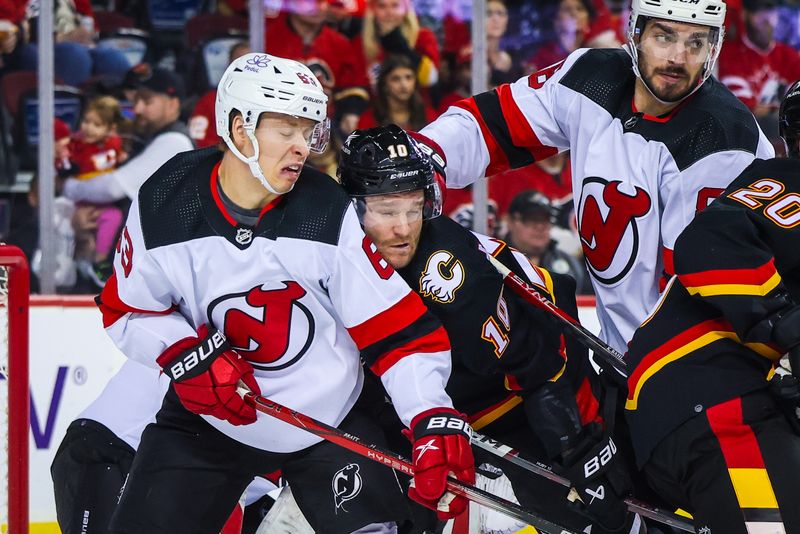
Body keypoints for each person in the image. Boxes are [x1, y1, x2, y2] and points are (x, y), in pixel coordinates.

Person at [97, 53, 474, 533]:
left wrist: (431, 414)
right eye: (286, 130)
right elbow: (126, 311)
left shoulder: (325, 213)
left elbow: (399, 334)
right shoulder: (163, 201)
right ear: (239, 129)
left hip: (328, 421)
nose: (303, 147)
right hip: (211, 420)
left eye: (308, 130)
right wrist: (184, 354)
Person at [417, 0, 775, 354]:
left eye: (695, 42)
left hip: (692, 368)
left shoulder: (727, 143)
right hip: (622, 356)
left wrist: (652, 380)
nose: (678, 58)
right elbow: (491, 125)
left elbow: (698, 295)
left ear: (714, 46)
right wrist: (425, 157)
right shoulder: (591, 76)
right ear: (635, 33)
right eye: (663, 37)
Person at [337, 125, 641, 534]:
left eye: (413, 208)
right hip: (438, 407)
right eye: (388, 211)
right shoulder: (332, 251)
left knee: (593, 515)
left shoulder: (444, 273)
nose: (404, 228)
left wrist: (578, 448)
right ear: (353, 209)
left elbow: (536, 358)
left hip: (528, 390)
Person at [622, 81, 800, 533]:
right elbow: (705, 244)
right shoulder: (787, 181)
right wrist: (787, 328)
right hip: (715, 397)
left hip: (730, 409)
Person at [61, 67, 194, 205]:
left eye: (147, 102)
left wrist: (67, 187)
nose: (137, 109)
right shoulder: (151, 136)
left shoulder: (175, 141)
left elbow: (113, 188)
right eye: (136, 100)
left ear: (173, 104)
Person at [717, 0, 800, 141]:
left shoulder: (790, 56)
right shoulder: (730, 55)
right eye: (759, 10)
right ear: (744, 14)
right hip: (748, 139)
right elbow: (744, 112)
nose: (766, 18)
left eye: (770, 9)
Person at [65, 95, 127, 268]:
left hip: (104, 207)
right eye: (86, 121)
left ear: (110, 129)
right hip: (76, 204)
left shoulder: (115, 144)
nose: (89, 128)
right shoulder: (75, 144)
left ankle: (100, 261)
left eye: (97, 125)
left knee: (114, 217)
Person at [504, 190, 591, 294]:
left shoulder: (571, 264)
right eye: (531, 219)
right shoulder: (495, 260)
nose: (540, 227)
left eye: (545, 219)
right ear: (510, 221)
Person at [352, 0, 440, 90]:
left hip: (416, 102)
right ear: (373, 10)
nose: (389, 13)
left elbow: (431, 79)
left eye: (395, 6)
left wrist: (398, 43)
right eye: (382, 6)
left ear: (406, 9)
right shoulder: (360, 42)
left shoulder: (423, 37)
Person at [188, 41, 251, 149]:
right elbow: (196, 138)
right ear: (229, 66)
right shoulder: (209, 100)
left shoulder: (272, 103)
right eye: (240, 61)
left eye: (251, 62)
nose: (247, 68)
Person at [358, 55, 437, 131]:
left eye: (408, 77)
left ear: (415, 82)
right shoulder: (368, 120)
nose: (404, 85)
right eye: (395, 79)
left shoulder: (429, 116)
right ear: (384, 85)